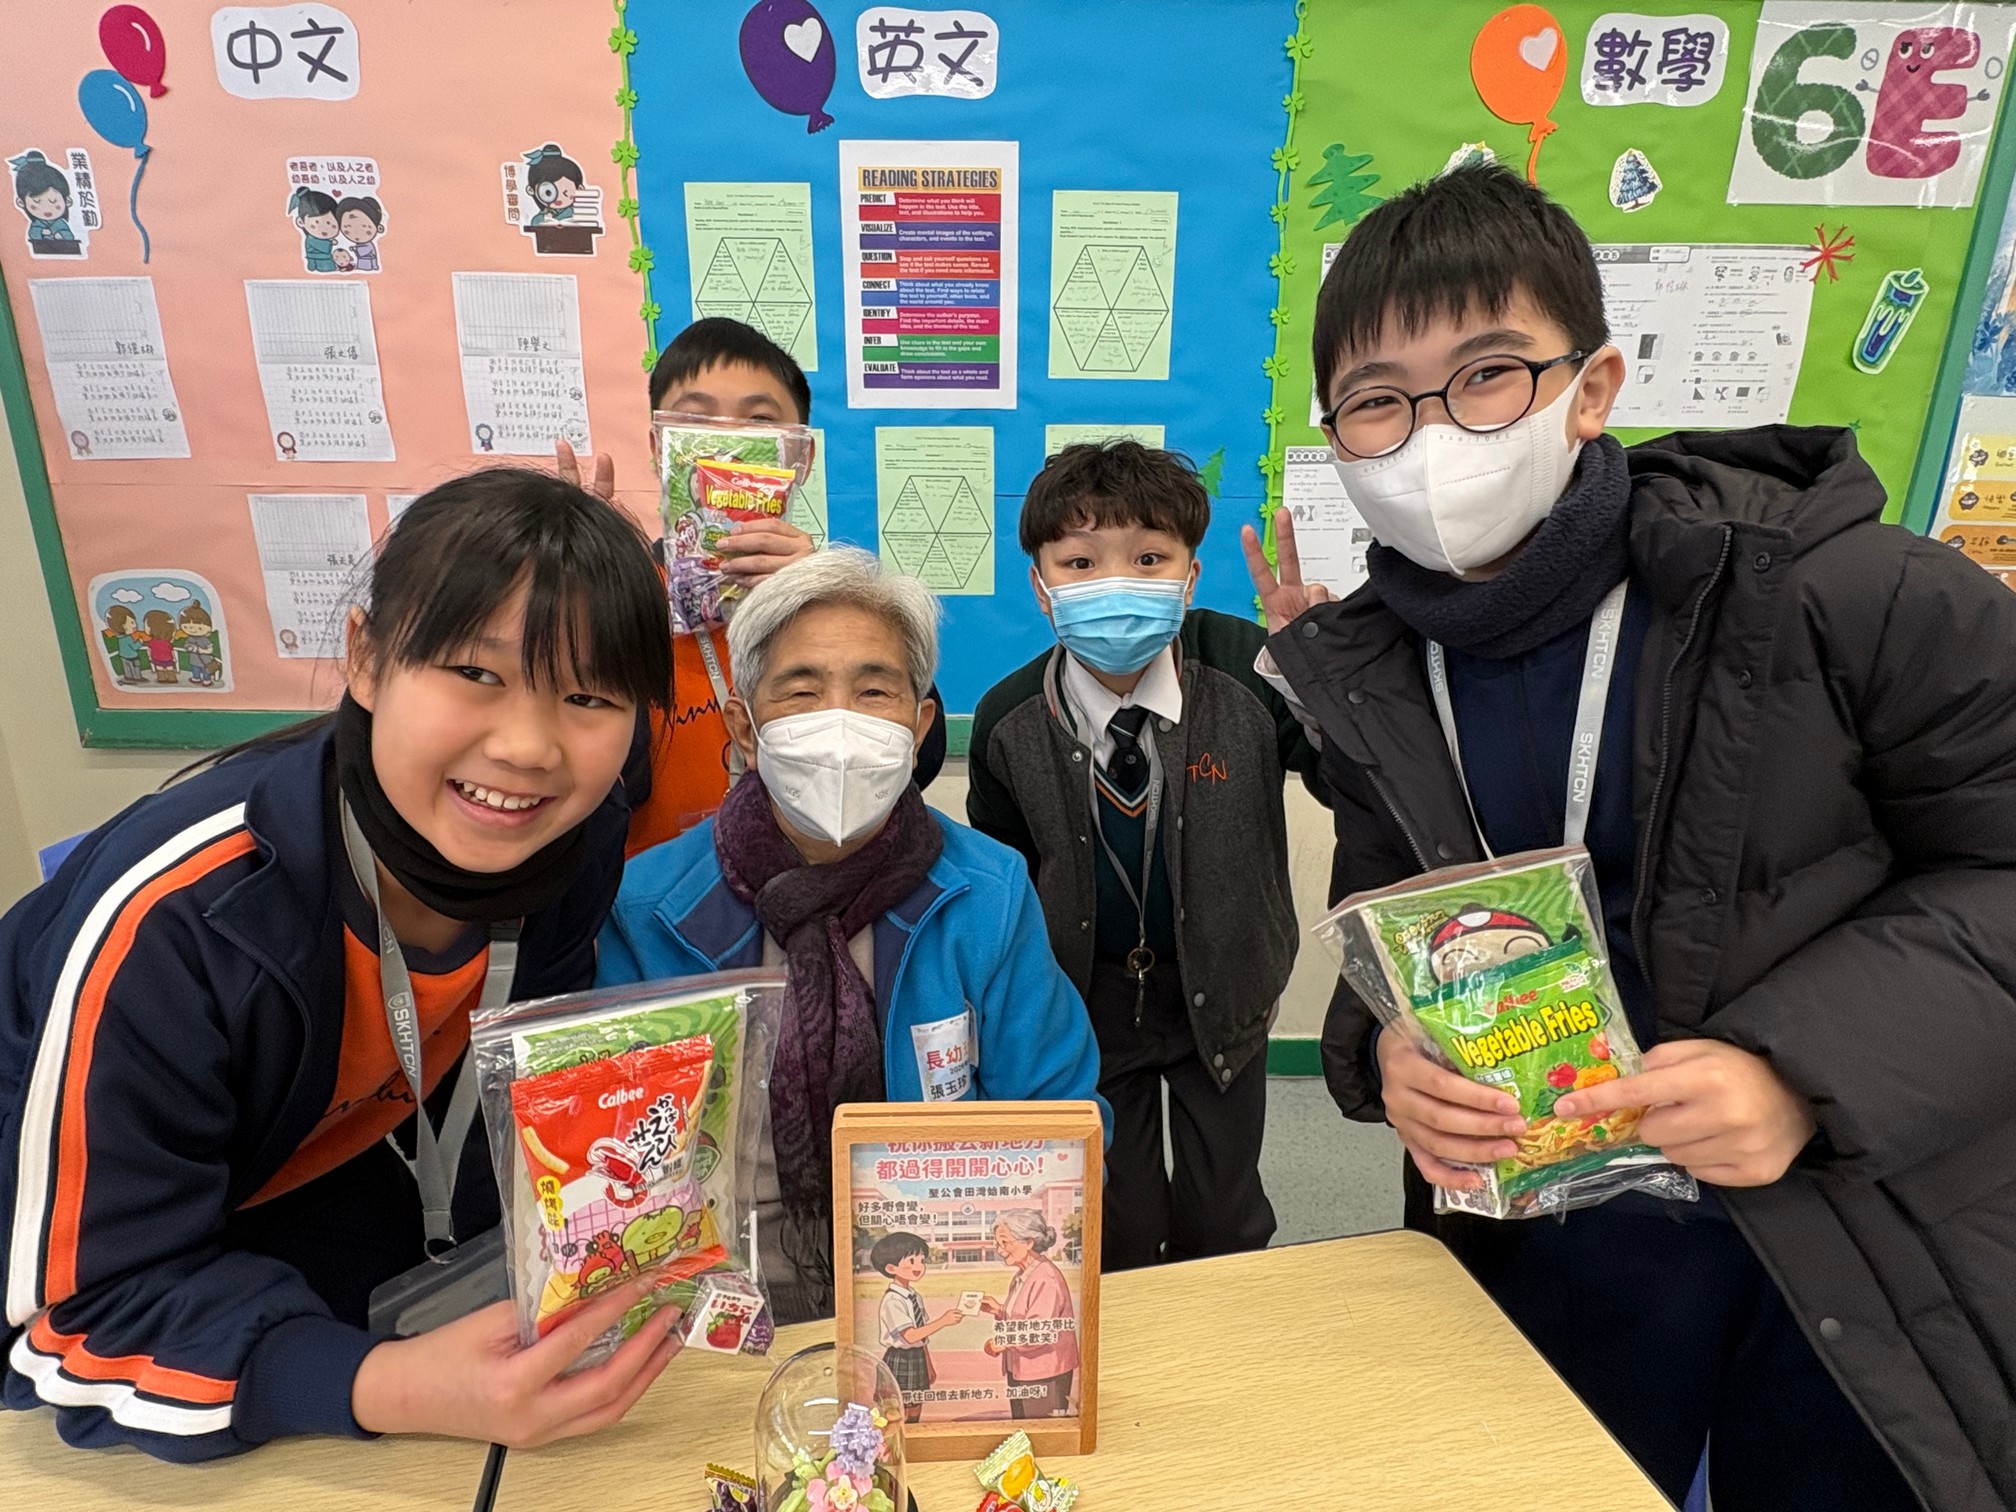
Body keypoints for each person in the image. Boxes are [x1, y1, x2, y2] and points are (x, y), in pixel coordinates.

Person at [1247, 163, 2016, 1512]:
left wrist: (1802, 1074)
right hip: (1551, 1225)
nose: (1434, 435)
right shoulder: (1371, 675)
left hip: (1854, 1224)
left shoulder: (1851, 591)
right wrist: (1390, 1052)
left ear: (1592, 387)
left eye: (1488, 376)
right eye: (1378, 402)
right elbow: (1388, 924)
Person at [0, 469, 683, 1460]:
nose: (530, 747)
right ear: (365, 657)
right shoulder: (178, 920)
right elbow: (77, 1320)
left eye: (588, 695)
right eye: (477, 673)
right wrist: (384, 1385)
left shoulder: (575, 842)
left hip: (324, 1219)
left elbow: (503, 1095)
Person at [596, 548, 1104, 1325]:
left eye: (874, 691)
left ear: (920, 723)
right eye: (802, 691)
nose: (840, 723)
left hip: (931, 1285)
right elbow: (607, 1155)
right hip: (708, 1302)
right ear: (744, 725)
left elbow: (1060, 1115)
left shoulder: (986, 892)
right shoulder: (648, 907)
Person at [967, 442, 1322, 1272]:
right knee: (1113, 1225)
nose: (1116, 583)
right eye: (1081, 562)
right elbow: (1003, 881)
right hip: (1087, 1002)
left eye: (1149, 559)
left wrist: (1323, 681)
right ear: (1041, 585)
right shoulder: (1007, 719)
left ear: (1190, 577)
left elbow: (1351, 781)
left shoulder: (1251, 669)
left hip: (1226, 988)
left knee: (1225, 1219)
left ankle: (1219, 1338)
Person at [556, 317, 945, 855]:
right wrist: (572, 597)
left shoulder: (841, 601)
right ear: (660, 447)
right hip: (659, 889)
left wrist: (819, 597)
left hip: (816, 877)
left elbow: (920, 759)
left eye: (759, 421)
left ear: (801, 456)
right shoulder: (621, 595)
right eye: (697, 421)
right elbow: (577, 770)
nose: (728, 446)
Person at [978, 1210, 1077, 1420]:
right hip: (1023, 1370)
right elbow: (1025, 1317)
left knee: (1042, 1430)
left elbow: (1039, 1330)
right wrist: (999, 1310)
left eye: (1005, 1243)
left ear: (1029, 1242)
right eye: (997, 1243)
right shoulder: (1024, 1274)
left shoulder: (1045, 1278)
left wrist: (1003, 1342)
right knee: (1024, 1426)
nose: (999, 1250)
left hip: (1045, 1373)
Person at [869, 1231, 957, 1423]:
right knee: (896, 1409)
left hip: (918, 1356)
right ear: (891, 1268)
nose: (919, 1267)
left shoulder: (914, 1296)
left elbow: (921, 1337)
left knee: (916, 1405)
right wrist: (943, 1321)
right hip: (900, 1358)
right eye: (912, 1261)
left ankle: (913, 1434)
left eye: (922, 1261)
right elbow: (909, 1336)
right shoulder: (893, 1300)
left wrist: (928, 1364)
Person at [288, 188, 341, 273]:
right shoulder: (311, 239)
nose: (324, 229)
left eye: (329, 223)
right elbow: (322, 247)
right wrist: (330, 243)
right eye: (316, 222)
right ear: (301, 222)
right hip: (320, 261)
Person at [337, 196, 385, 272]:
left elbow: (364, 251)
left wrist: (355, 249)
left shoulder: (368, 245)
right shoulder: (359, 244)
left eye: (364, 227)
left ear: (379, 228)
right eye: (347, 231)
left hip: (368, 264)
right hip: (361, 263)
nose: (356, 234)